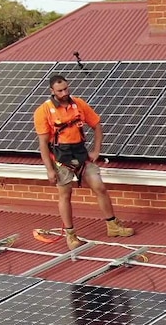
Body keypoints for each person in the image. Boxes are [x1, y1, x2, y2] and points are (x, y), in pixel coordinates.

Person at [33, 75, 134, 250]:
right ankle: (71, 235)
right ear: (52, 91)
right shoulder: (43, 111)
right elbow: (42, 144)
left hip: (81, 154)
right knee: (65, 195)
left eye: (66, 88)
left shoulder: (79, 104)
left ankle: (113, 225)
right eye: (60, 90)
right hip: (60, 158)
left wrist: (96, 150)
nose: (64, 92)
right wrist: (49, 169)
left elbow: (96, 125)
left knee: (99, 187)